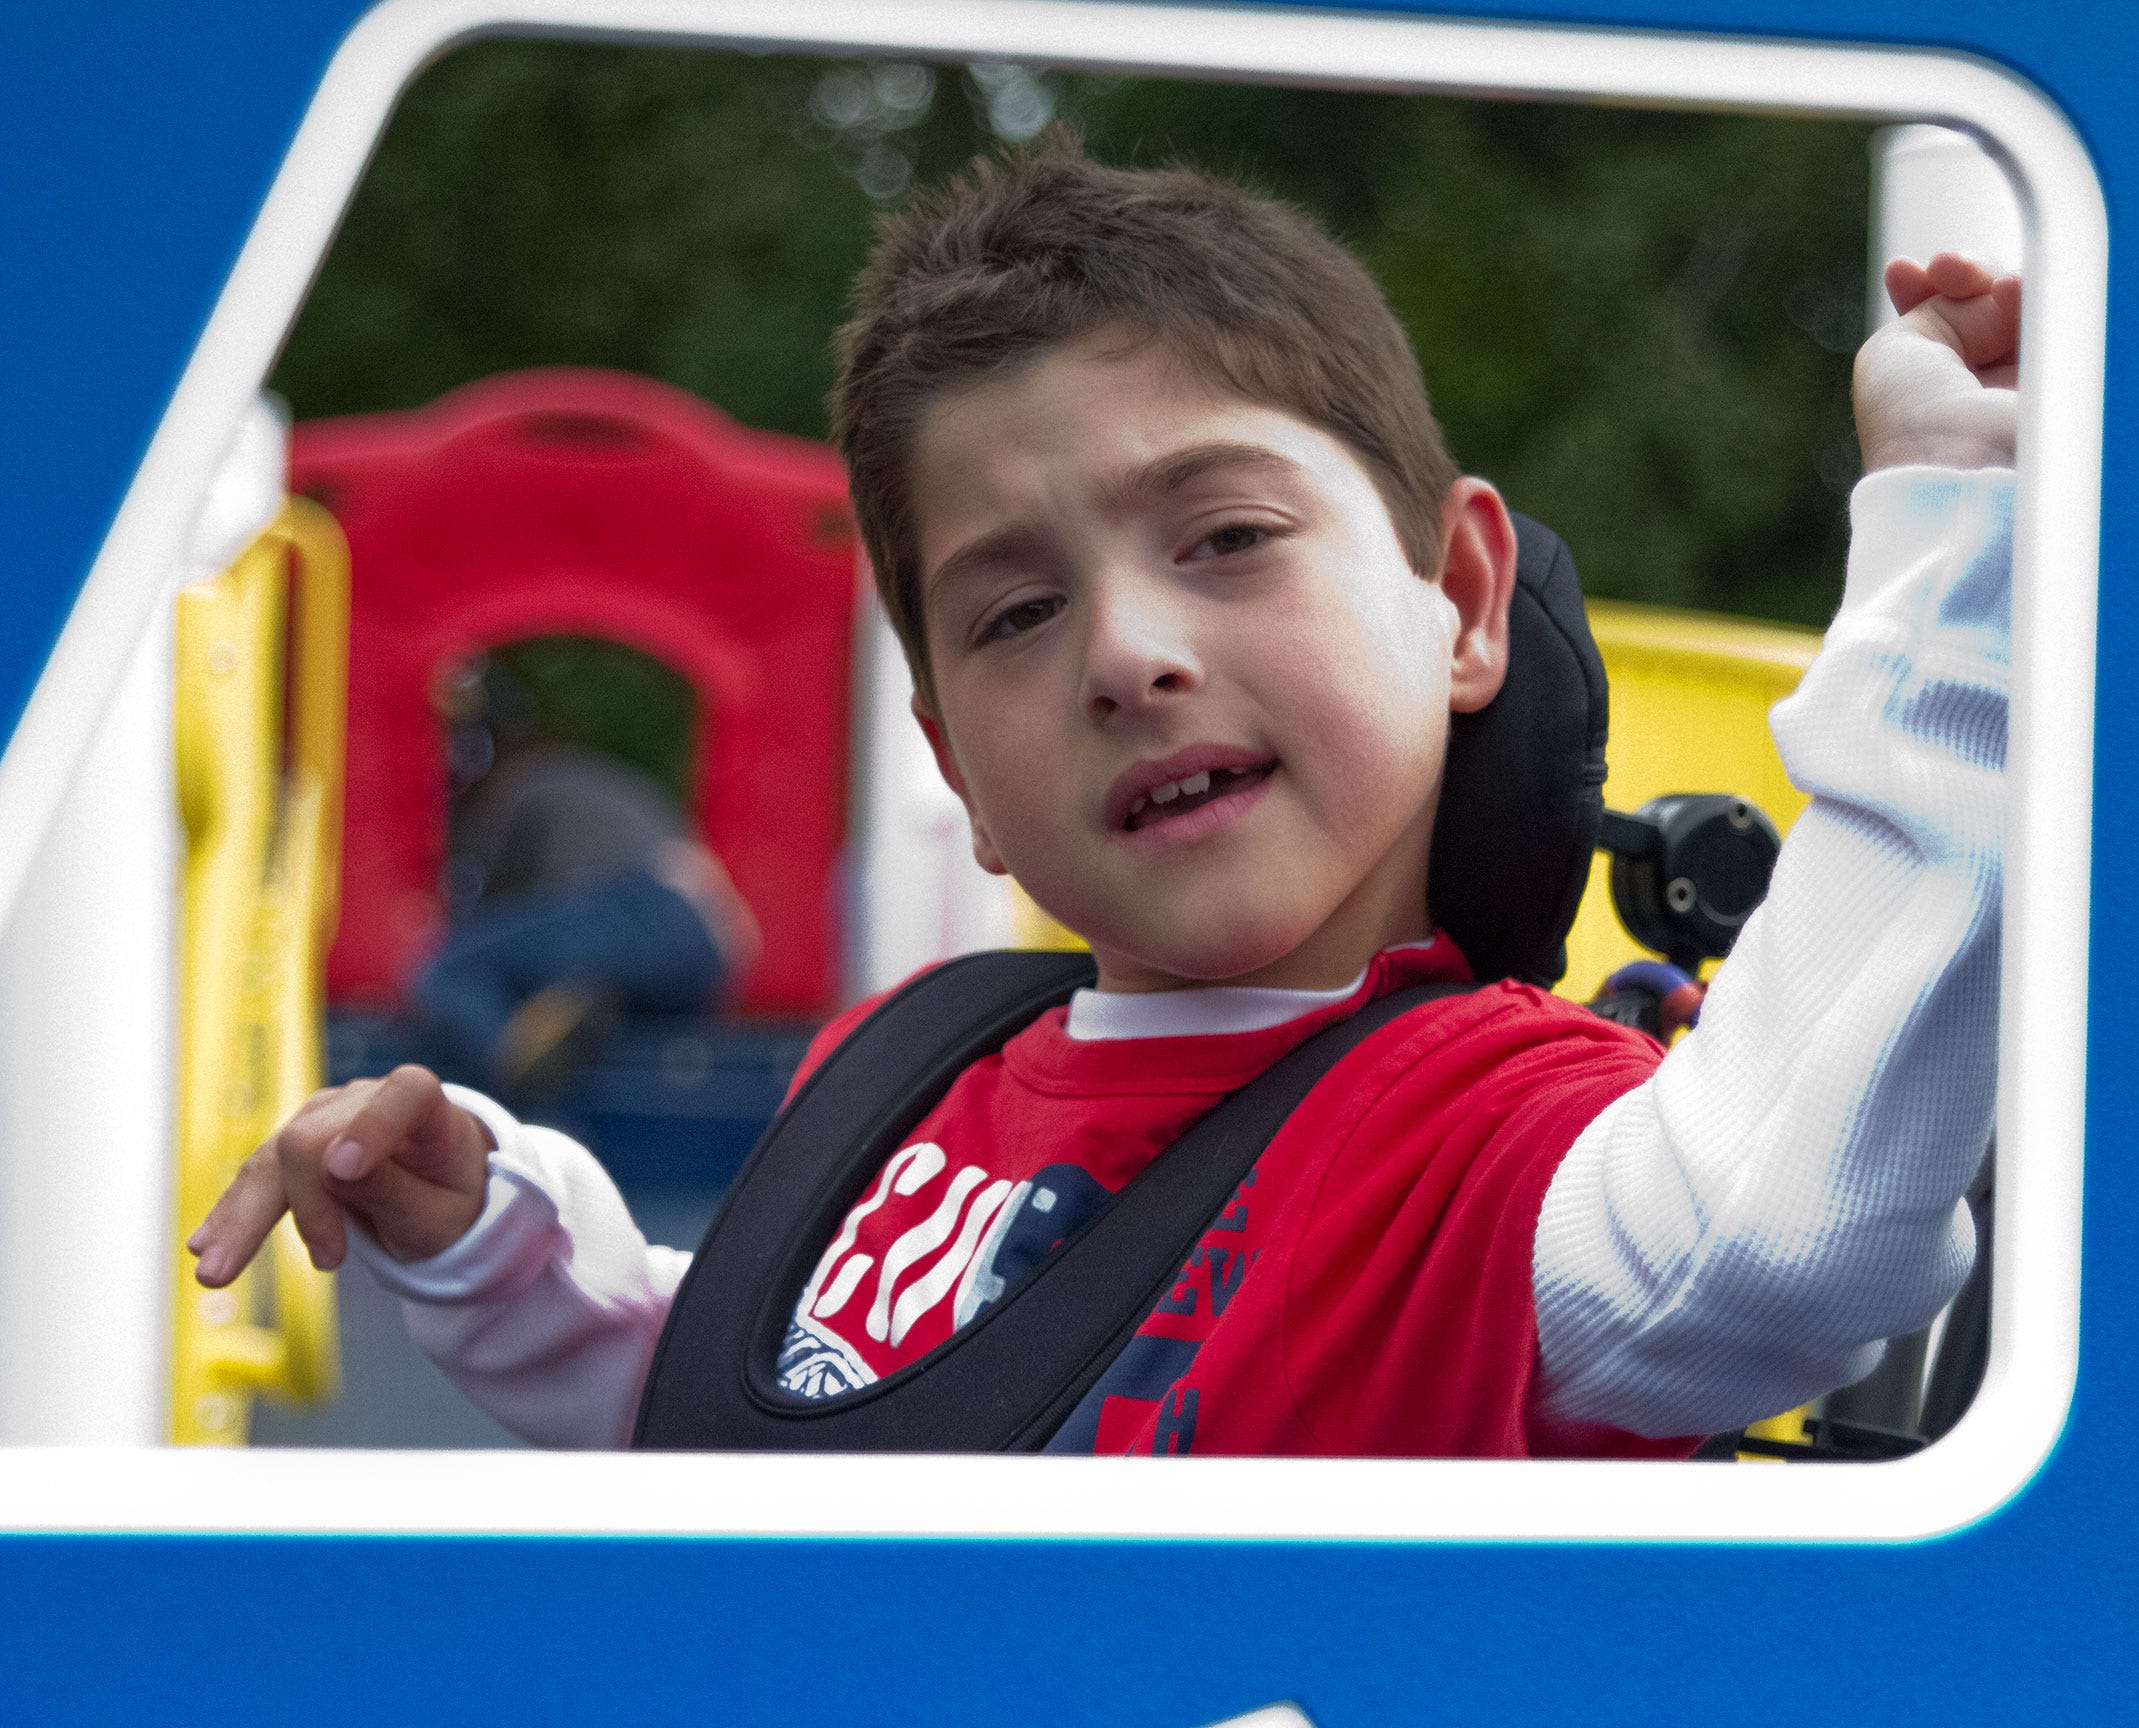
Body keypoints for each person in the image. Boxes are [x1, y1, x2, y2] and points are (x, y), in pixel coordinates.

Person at [190, 140, 2018, 1457]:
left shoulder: (1484, 1141)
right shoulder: (902, 1064)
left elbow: (1778, 1232)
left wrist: (1951, 541)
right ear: (953, 765)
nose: (1125, 653)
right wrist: (501, 1239)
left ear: (1460, 602)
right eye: (1015, 610)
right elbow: (779, 1417)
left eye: (1224, 538)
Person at [406, 658, 759, 1105]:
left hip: (632, 907)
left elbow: (492, 908)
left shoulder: (523, 786)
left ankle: (516, 1096)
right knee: (577, 984)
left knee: (452, 967)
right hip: (705, 951)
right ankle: (579, 1001)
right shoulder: (608, 783)